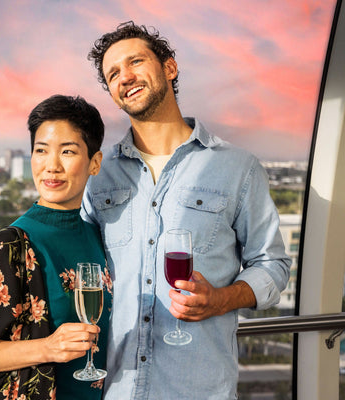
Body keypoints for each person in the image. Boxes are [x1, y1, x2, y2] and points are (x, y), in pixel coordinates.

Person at [81, 21, 291, 399]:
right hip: (114, 389)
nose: (125, 76)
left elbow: (273, 265)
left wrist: (223, 299)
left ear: (169, 68)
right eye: (113, 74)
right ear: (112, 93)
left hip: (198, 389)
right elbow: (76, 267)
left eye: (136, 62)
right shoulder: (98, 175)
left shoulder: (238, 167)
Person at [0, 94, 112, 400]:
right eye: (41, 151)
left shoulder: (98, 237)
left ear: (95, 163)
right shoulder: (12, 244)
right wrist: (48, 347)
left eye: (67, 152)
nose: (51, 166)